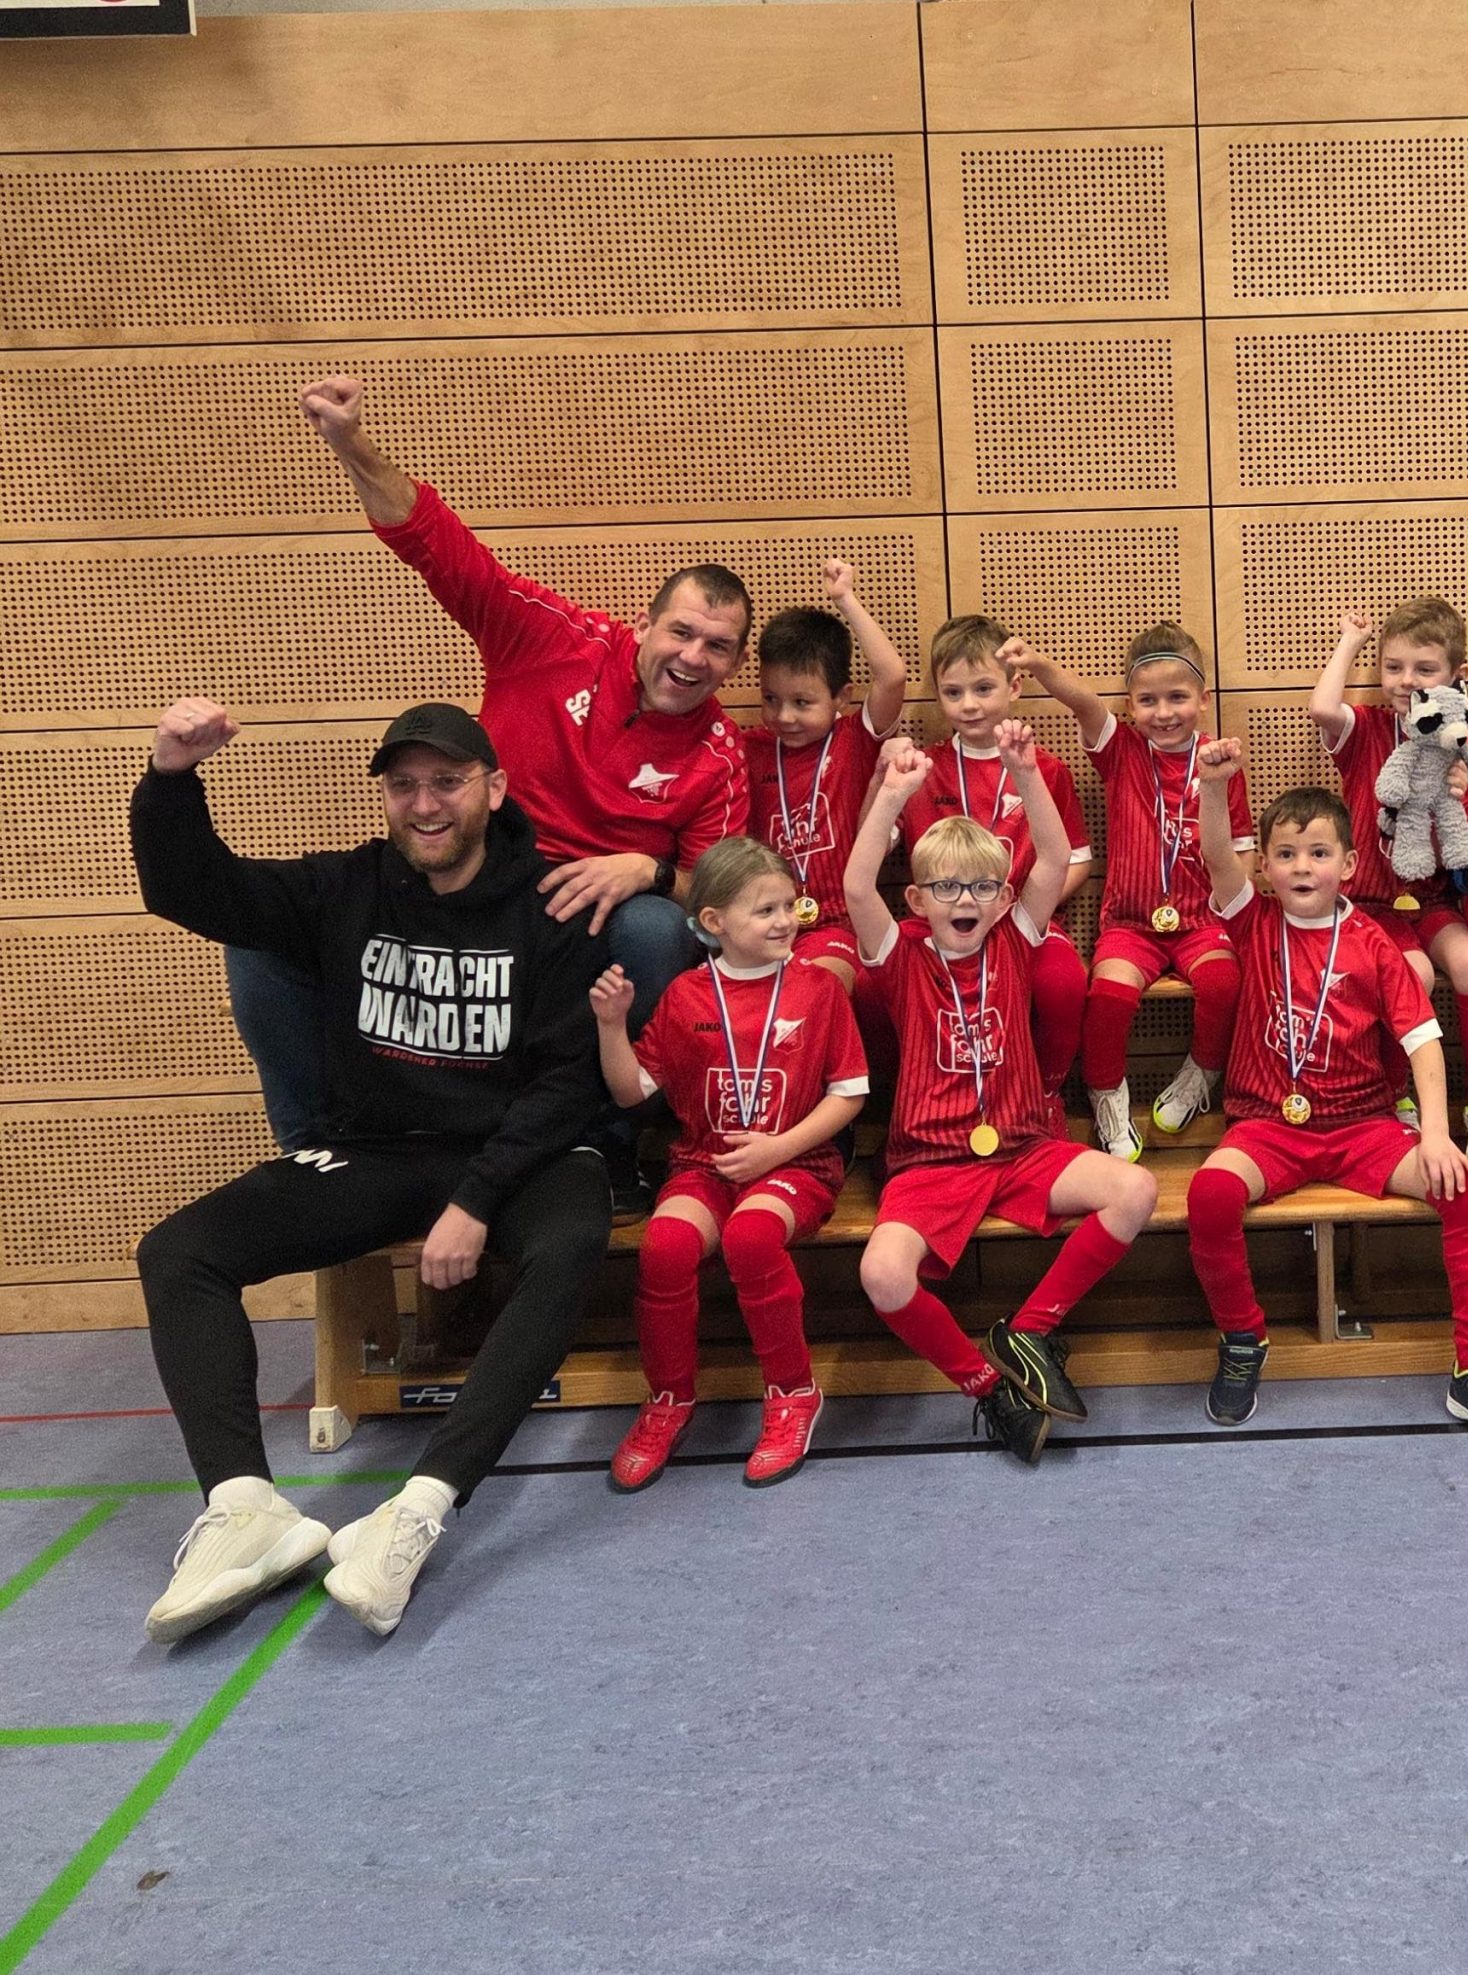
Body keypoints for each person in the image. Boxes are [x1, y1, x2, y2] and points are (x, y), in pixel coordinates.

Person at [132, 699, 612, 1642]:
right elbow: (193, 889)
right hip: (382, 1149)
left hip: (522, 1152)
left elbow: (568, 1081)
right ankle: (244, 1509)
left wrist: (475, 1202)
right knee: (179, 1250)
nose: (424, 803)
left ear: (494, 788)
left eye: (446, 781)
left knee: (571, 1243)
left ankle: (416, 1509)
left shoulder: (550, 906)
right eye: (403, 785)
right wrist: (171, 778)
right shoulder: (345, 887)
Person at [236, 375, 749, 1154]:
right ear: (643, 623)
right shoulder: (553, 638)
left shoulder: (719, 754)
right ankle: (316, 1144)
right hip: (459, 877)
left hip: (570, 923)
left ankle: (599, 1142)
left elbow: (718, 901)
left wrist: (645, 869)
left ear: (735, 664)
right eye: (681, 631)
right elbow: (441, 548)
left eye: (717, 646)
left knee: (657, 927)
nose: (692, 656)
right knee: (263, 931)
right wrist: (352, 444)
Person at [1184, 751, 1468, 1449]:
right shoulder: (1253, 921)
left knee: (1461, 1187)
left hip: (1363, 1127)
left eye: (1317, 852)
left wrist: (1435, 1135)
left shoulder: (1373, 944)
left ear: (1347, 866)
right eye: (1285, 854)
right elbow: (1216, 854)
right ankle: (1244, 1339)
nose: (1301, 866)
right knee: (1209, 1197)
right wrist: (1216, 788)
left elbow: (1425, 1044)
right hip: (1267, 1127)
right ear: (1267, 870)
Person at [846, 725, 1156, 1466]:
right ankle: (988, 1384)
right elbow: (857, 884)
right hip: (929, 1161)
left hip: (1021, 1145)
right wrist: (892, 794)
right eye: (947, 887)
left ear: (1002, 896)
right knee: (881, 1272)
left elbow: (1054, 856)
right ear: (918, 896)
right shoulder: (901, 955)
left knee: (1136, 1189)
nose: (966, 899)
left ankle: (1030, 1330)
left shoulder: (1016, 939)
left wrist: (1024, 767)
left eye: (983, 886)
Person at [591, 839, 869, 1493]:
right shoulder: (688, 994)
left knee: (750, 1235)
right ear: (713, 921)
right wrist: (610, 1025)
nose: (784, 921)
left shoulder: (819, 987)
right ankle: (668, 1400)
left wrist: (778, 1148)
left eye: (789, 905)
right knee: (663, 1245)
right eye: (763, 910)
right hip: (706, 1163)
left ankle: (793, 1391)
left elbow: (850, 1093)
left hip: (797, 1161)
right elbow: (632, 1090)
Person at [1012, 624, 1254, 1160]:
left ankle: (1200, 1075)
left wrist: (1238, 907)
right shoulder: (1121, 750)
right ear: (1130, 705)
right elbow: (1082, 702)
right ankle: (1106, 1096)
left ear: (1203, 700)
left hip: (1201, 920)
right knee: (1108, 998)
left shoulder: (1220, 762)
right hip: (1130, 921)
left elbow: (1242, 849)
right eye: (1147, 700)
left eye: (1177, 698)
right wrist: (1039, 664)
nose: (1163, 712)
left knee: (1223, 984)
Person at [1309, 601, 1468, 1170]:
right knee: (1415, 973)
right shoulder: (1366, 730)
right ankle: (1396, 1098)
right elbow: (1322, 706)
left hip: (1431, 903)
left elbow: (1465, 842)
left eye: (1423, 669)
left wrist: (1457, 795)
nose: (1406, 682)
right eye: (1394, 667)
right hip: (1371, 907)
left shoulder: (1463, 749)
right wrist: (1351, 641)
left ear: (1456, 678)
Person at [893, 618, 1093, 1091]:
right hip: (936, 927)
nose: (969, 704)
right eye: (953, 692)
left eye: (983, 688)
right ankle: (904, 1096)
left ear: (1015, 685)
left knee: (1062, 985)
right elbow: (877, 843)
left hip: (1024, 923)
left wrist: (1022, 910)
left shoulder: (1044, 768)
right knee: (869, 984)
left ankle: (1045, 1091)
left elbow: (1078, 858)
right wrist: (884, 780)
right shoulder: (923, 768)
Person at [742, 562, 908, 1001]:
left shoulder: (853, 739)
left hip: (837, 919)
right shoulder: (749, 748)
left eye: (802, 701)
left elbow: (892, 677)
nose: (785, 716)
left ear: (842, 697)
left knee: (816, 992)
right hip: (758, 917)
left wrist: (845, 600)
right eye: (771, 699)